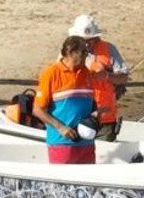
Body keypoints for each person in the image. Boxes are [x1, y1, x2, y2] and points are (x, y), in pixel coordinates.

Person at [32, 36, 97, 164]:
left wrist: (96, 116)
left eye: (87, 53)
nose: (86, 56)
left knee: (88, 181)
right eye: (83, 53)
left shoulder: (86, 73)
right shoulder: (51, 73)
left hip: (86, 143)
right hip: (61, 143)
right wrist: (61, 127)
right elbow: (37, 110)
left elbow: (92, 105)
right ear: (70, 52)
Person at [68, 14, 128, 142]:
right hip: (77, 116)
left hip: (104, 119)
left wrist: (106, 76)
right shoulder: (69, 52)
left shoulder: (109, 49)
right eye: (84, 40)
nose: (87, 43)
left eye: (91, 39)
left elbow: (123, 77)